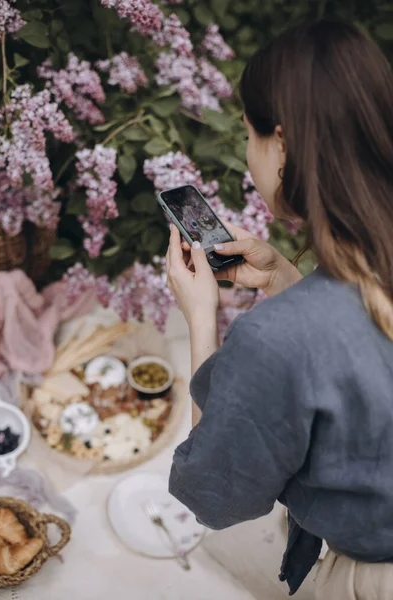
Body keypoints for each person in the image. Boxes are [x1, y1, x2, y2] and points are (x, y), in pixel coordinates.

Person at [165, 18, 393, 600]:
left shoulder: (277, 341)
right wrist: (287, 280)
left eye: (248, 133)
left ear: (282, 144)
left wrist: (201, 316)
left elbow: (214, 492)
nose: (249, 150)